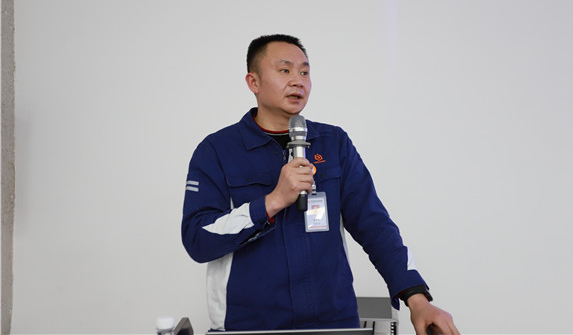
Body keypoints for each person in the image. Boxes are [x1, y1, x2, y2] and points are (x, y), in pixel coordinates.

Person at [181, 34, 460, 335]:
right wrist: (272, 201)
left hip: (333, 324)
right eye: (285, 70)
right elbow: (197, 239)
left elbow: (375, 226)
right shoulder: (217, 151)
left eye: (304, 72)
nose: (297, 81)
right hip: (249, 327)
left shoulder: (333, 143)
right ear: (254, 82)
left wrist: (417, 299)